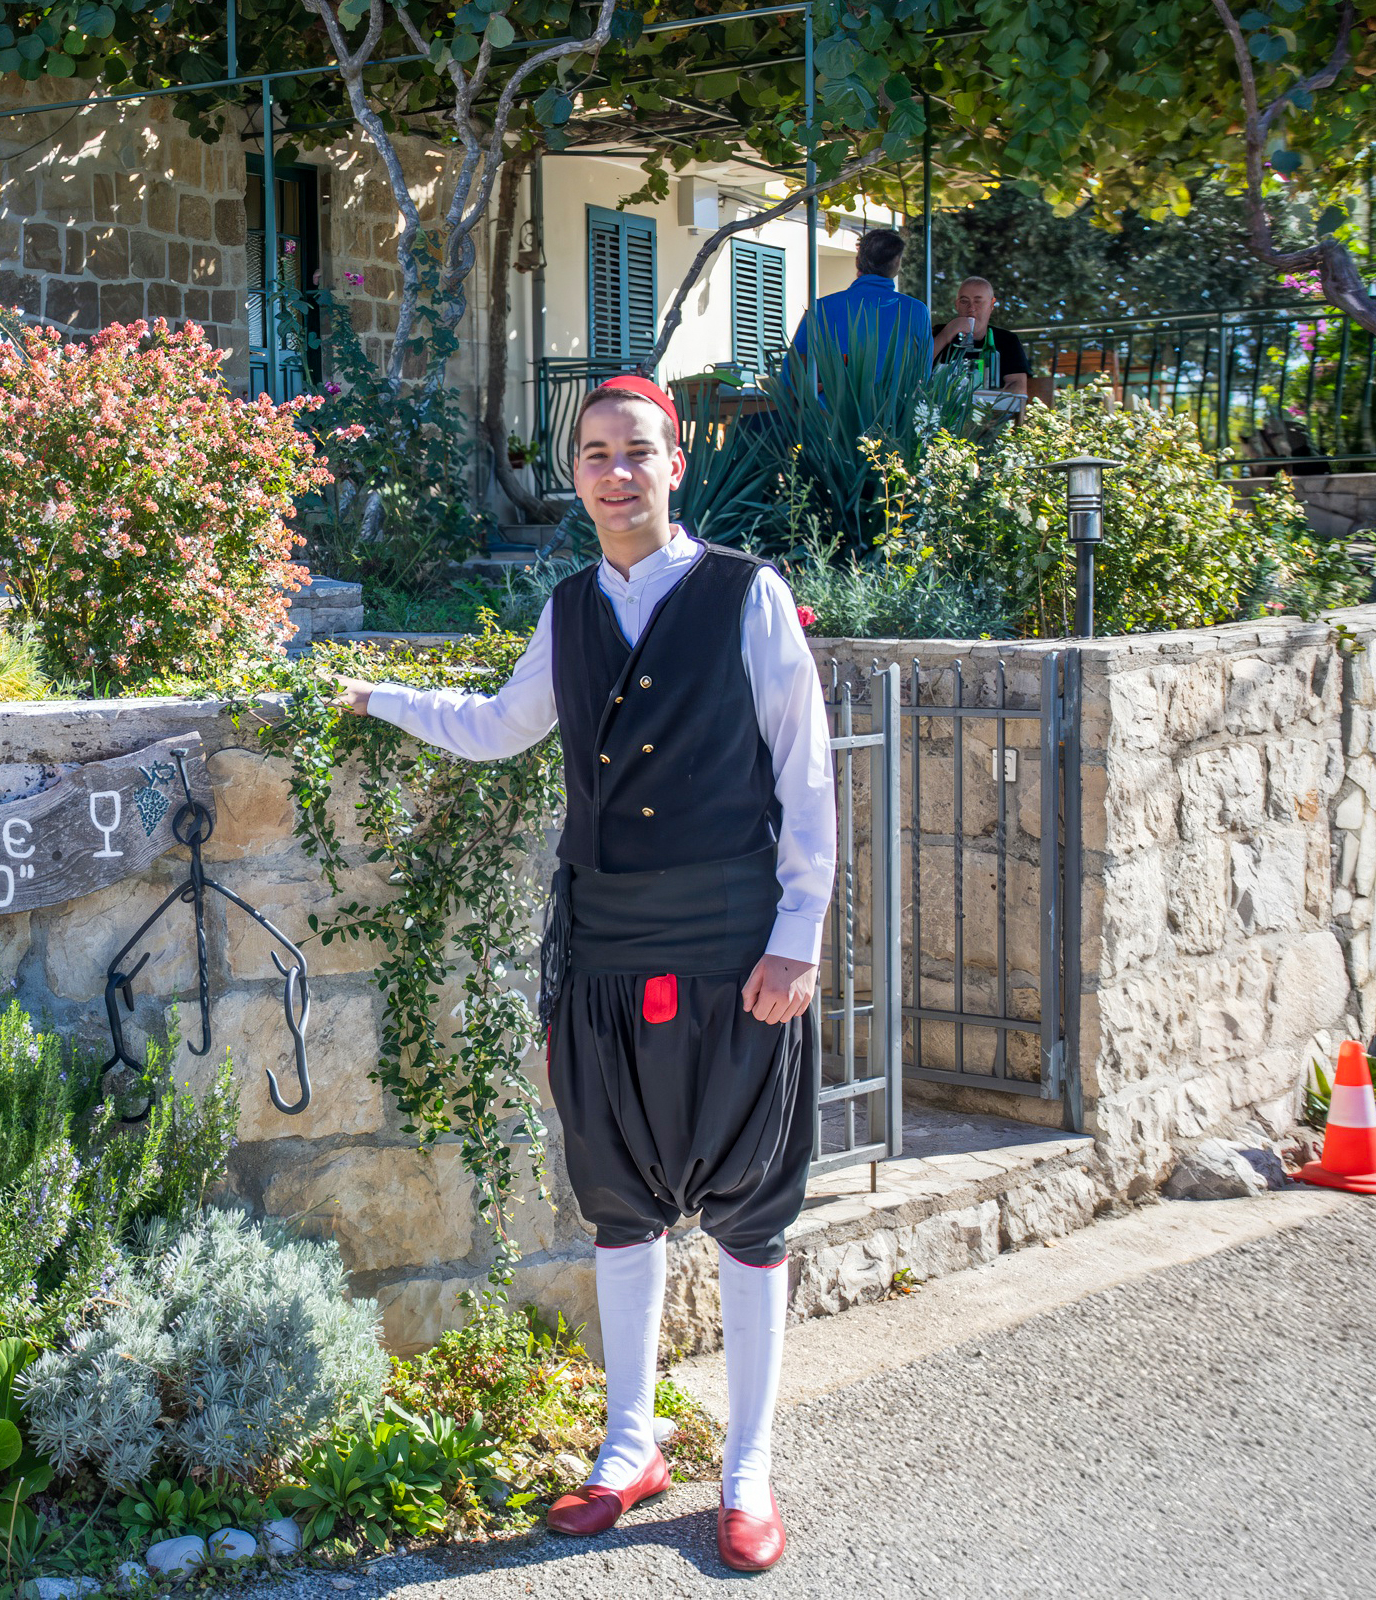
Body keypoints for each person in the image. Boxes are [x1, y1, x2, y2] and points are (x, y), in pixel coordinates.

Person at [332, 376, 834, 1573]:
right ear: (578, 475)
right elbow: (501, 725)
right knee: (619, 1198)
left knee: (751, 1208)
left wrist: (798, 936)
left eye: (637, 453)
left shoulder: (745, 595)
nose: (616, 473)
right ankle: (629, 1445)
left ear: (676, 463)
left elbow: (806, 775)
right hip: (604, 945)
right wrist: (373, 697)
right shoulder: (566, 609)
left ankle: (748, 1468)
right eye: (595, 454)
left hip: (732, 944)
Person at [787, 227, 931, 383]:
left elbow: (793, 372)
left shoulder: (822, 308)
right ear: (897, 262)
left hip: (828, 407)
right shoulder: (915, 311)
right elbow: (923, 372)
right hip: (895, 406)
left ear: (858, 262)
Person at [932, 276, 1033, 409]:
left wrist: (975, 400)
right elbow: (914, 368)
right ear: (956, 305)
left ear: (992, 305)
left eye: (978, 301)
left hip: (989, 418)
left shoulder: (1006, 341)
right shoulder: (938, 333)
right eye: (964, 301)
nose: (971, 308)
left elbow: (1018, 389)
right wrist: (946, 335)